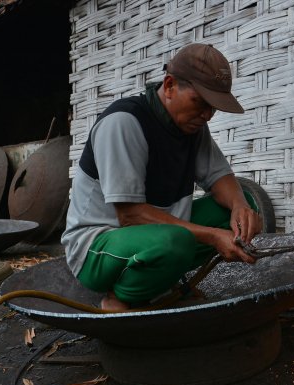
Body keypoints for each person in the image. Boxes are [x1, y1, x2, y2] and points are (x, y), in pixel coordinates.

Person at [61, 43, 262, 311]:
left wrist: (240, 206)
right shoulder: (123, 123)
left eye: (212, 108)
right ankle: (121, 297)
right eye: (200, 103)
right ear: (169, 86)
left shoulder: (193, 128)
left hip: (155, 235)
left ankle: (162, 282)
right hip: (98, 246)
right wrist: (214, 236)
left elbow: (219, 177)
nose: (207, 115)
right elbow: (130, 216)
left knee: (240, 207)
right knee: (176, 241)